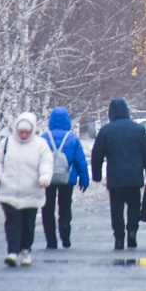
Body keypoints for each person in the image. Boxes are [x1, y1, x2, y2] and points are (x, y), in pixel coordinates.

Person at [91, 98, 146, 250]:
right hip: (134, 178)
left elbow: (97, 154)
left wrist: (97, 175)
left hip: (115, 178)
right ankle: (132, 232)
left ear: (110, 113)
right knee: (134, 206)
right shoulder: (138, 130)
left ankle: (119, 237)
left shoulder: (106, 131)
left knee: (117, 208)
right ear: (127, 111)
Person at [0, 112, 53, 267]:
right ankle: (12, 252)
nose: (24, 135)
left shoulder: (40, 144)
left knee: (28, 224)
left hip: (31, 192)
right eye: (21, 132)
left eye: (27, 132)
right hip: (9, 191)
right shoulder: (7, 143)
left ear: (32, 131)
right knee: (12, 222)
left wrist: (44, 177)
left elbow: (46, 162)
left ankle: (25, 250)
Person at [40, 106, 89, 249]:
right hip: (67, 179)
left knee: (47, 208)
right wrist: (84, 179)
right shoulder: (72, 138)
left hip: (47, 178)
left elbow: (37, 159)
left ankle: (51, 240)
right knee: (65, 206)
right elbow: (80, 161)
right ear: (68, 120)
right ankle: (65, 227)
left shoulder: (44, 138)